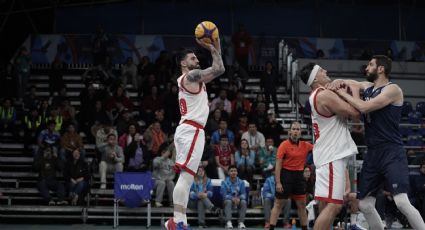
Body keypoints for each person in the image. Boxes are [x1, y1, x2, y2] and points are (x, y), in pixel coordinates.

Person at [327, 55, 425, 229]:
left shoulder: (393, 89)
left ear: (381, 69)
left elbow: (364, 107)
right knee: (364, 205)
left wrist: (341, 92)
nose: (366, 68)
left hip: (391, 151)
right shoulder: (369, 87)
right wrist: (339, 81)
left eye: (371, 65)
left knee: (401, 201)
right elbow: (355, 83)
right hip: (373, 153)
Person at [165, 34, 225, 230]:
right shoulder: (189, 76)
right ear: (183, 63)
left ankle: (178, 221)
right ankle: (177, 221)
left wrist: (215, 46)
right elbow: (218, 69)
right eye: (192, 58)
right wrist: (211, 48)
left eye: (196, 58)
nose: (197, 60)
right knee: (186, 176)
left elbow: (220, 68)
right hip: (191, 129)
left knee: (187, 176)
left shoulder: (191, 78)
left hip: (192, 130)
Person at [298, 62, 360, 230]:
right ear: (315, 77)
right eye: (321, 70)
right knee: (335, 205)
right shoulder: (324, 95)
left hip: (325, 154)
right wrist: (352, 88)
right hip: (332, 155)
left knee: (326, 204)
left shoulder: (315, 95)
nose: (325, 71)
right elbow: (355, 112)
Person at [268, 121, 313, 230]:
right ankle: (271, 228)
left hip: (299, 177)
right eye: (293, 129)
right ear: (290, 132)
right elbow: (278, 165)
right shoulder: (284, 145)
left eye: (298, 129)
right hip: (286, 176)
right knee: (278, 204)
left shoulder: (305, 145)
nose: (295, 131)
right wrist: (278, 182)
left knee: (302, 205)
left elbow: (319, 149)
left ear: (300, 132)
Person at [220, 165, 247, 229]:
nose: (233, 172)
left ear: (237, 172)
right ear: (228, 173)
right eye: (231, 171)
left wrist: (239, 198)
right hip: (228, 202)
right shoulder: (224, 182)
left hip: (238, 201)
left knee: (243, 202)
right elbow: (224, 195)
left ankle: (241, 222)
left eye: (235, 171)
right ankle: (228, 222)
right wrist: (232, 198)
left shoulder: (241, 182)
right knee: (228, 201)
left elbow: (244, 194)